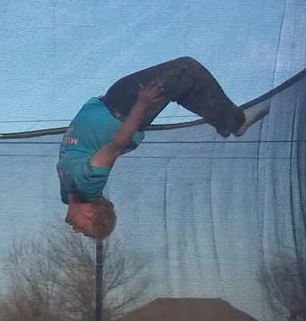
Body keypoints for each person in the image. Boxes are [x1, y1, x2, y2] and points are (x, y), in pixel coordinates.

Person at [57, 56, 270, 239]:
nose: (77, 232)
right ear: (90, 213)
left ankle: (230, 121)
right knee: (186, 69)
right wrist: (141, 104)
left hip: (116, 103)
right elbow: (116, 144)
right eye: (84, 230)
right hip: (126, 108)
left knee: (183, 83)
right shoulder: (88, 184)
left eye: (83, 231)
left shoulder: (70, 192)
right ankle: (234, 122)